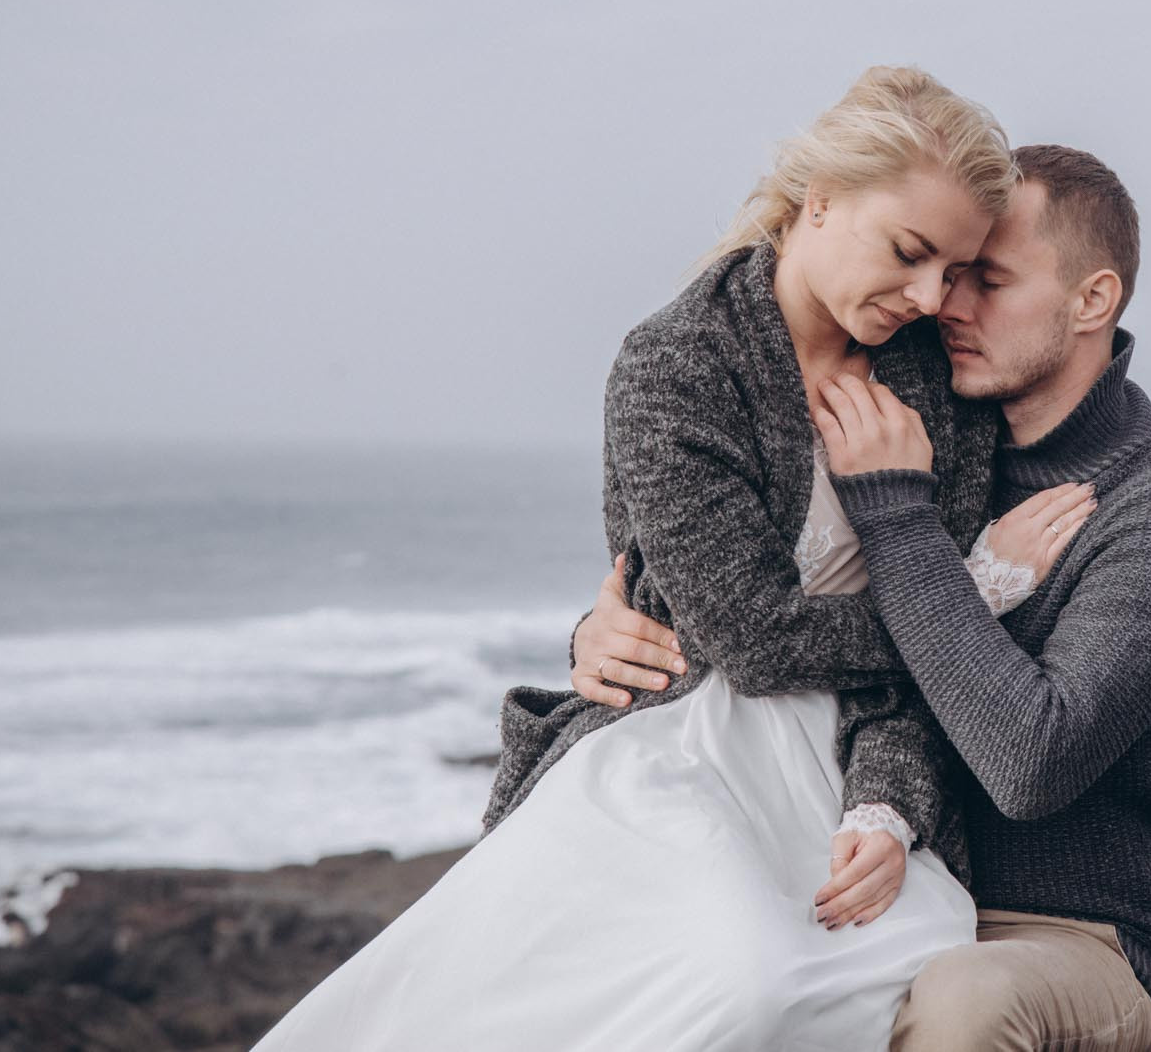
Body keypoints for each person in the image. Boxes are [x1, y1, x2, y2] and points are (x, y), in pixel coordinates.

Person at [251, 67, 1090, 1051]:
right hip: (681, 746)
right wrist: (971, 599)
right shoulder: (677, 362)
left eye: (951, 270)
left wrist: (888, 806)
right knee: (741, 982)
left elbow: (908, 680)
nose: (926, 297)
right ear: (819, 200)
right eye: (908, 254)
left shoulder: (933, 382)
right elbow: (754, 637)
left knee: (917, 947)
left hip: (843, 760)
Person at [576, 145, 1151, 1051]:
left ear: (1093, 300)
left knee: (958, 1002)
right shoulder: (925, 427)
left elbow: (1030, 760)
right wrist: (619, 632)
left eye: (988, 281)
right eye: (945, 272)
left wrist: (899, 519)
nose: (945, 304)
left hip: (1066, 935)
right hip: (862, 873)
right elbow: (769, 608)